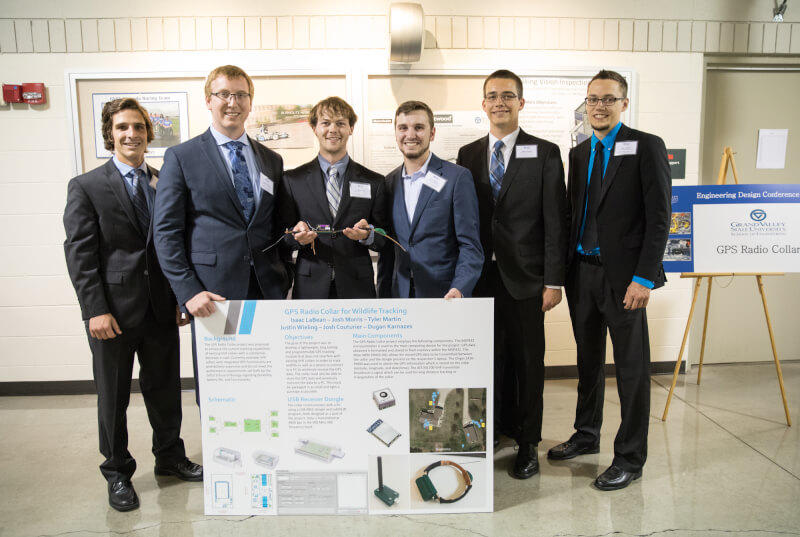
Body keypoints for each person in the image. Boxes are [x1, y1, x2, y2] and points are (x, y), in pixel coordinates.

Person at [63, 98, 202, 512]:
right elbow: (80, 254)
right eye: (123, 127)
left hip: (160, 309)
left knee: (165, 390)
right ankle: (118, 472)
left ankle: (170, 457)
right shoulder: (86, 186)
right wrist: (94, 310)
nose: (132, 134)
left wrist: (181, 296)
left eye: (139, 127)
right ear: (110, 133)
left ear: (148, 133)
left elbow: (175, 244)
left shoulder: (164, 181)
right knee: (113, 396)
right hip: (113, 314)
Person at [548, 70, 671, 491]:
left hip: (626, 281)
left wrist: (644, 279)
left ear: (624, 103)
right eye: (592, 100)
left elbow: (659, 220)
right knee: (587, 364)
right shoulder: (579, 153)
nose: (598, 106)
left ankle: (631, 457)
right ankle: (586, 434)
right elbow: (575, 214)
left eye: (608, 99)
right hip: (582, 274)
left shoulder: (646, 146)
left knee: (632, 371)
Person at [456, 70, 568, 479]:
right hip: (480, 280)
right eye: (492, 96)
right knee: (488, 361)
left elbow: (557, 221)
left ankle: (527, 443)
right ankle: (495, 431)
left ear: (521, 103)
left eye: (508, 95)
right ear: (482, 104)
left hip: (527, 280)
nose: (499, 102)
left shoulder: (546, 152)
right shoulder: (468, 154)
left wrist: (553, 281)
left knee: (527, 364)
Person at [153, 65, 291, 395]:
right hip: (213, 294)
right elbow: (167, 232)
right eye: (224, 94)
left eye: (241, 95)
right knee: (222, 389)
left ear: (250, 102)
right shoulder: (181, 157)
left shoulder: (271, 160)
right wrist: (188, 291)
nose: (233, 102)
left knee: (264, 383)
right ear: (208, 101)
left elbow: (275, 224)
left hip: (265, 290)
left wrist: (285, 273)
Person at [279, 97, 390, 298]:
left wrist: (369, 235)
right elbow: (282, 236)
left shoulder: (374, 181)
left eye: (340, 123)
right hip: (310, 286)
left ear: (351, 128)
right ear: (314, 128)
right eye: (325, 123)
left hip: (357, 286)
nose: (333, 130)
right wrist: (296, 237)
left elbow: (385, 237)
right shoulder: (292, 180)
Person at [377, 100, 483, 299]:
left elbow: (470, 245)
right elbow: (388, 248)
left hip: (445, 296)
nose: (410, 135)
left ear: (432, 133)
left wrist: (460, 287)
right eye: (403, 128)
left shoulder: (457, 178)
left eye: (418, 127)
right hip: (399, 296)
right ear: (396, 133)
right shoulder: (388, 183)